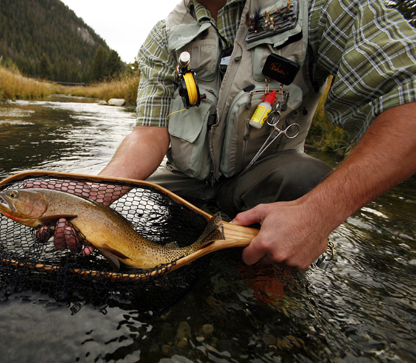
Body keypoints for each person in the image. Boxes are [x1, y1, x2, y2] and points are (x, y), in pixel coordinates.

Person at [92, 0, 416, 270]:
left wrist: (319, 212)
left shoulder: (317, 7)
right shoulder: (163, 35)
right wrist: (94, 195)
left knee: (306, 179)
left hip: (261, 188)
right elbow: (148, 132)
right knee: (115, 209)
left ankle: (268, 279)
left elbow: (407, 99)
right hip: (186, 185)